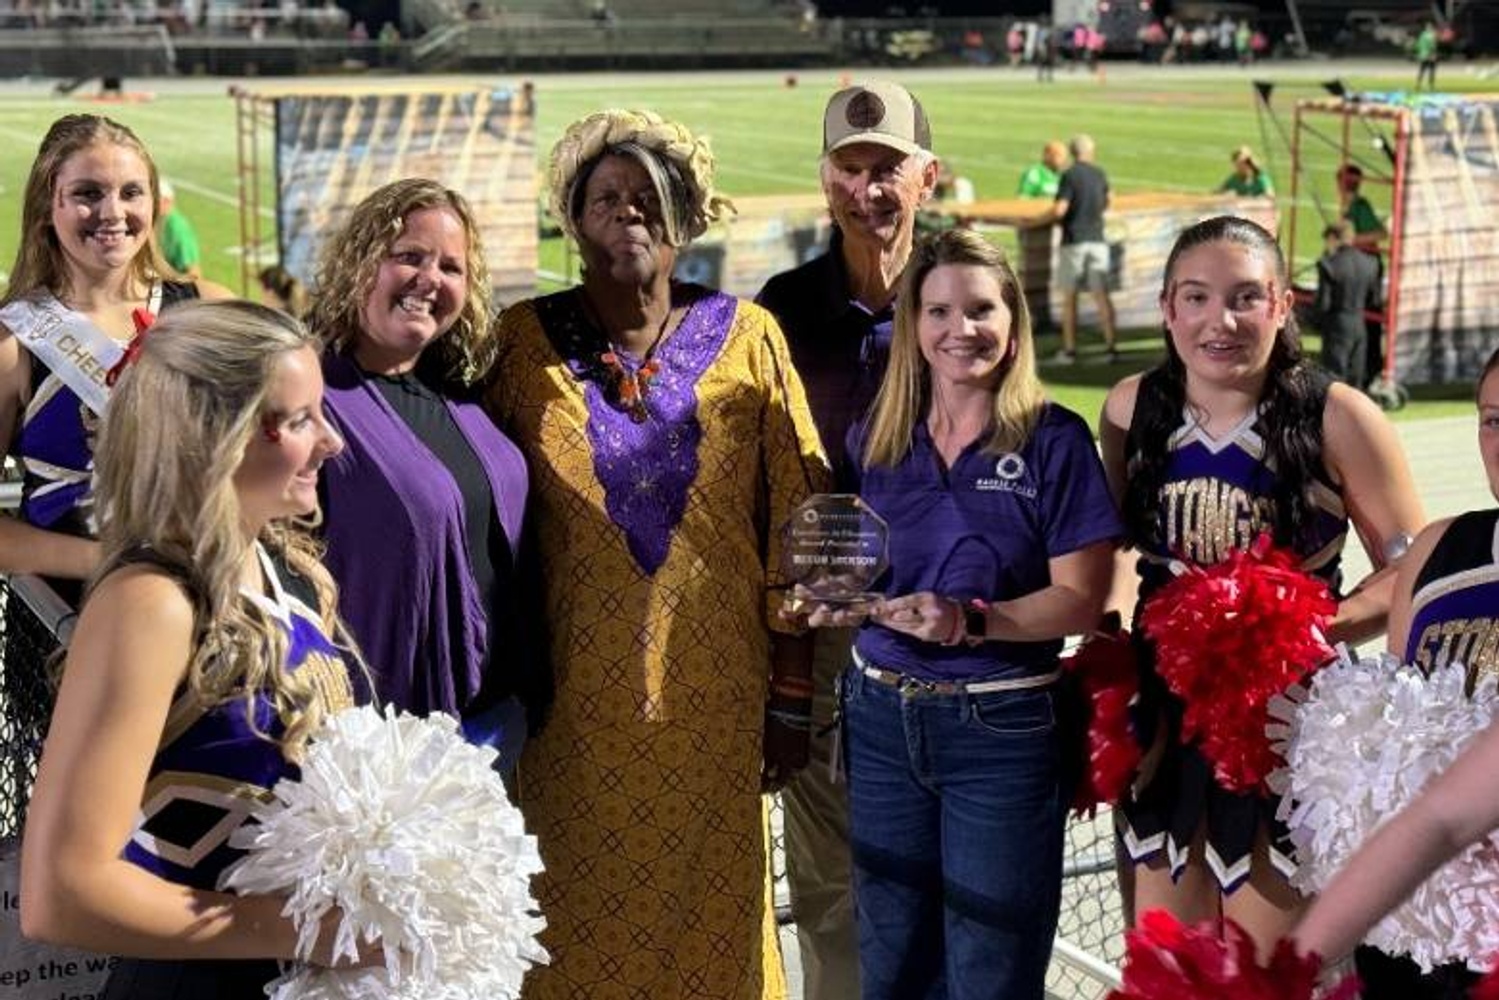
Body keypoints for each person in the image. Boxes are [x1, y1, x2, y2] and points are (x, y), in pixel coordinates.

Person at [488, 109, 828, 1000]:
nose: (628, 213)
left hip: (715, 706)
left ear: (684, 217)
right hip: (567, 712)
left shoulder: (750, 334)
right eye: (606, 197)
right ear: (573, 216)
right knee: (566, 930)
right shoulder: (519, 346)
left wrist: (791, 695)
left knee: (714, 933)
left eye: (649, 198)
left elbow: (799, 521)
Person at [19, 300, 372, 998]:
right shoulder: (152, 603)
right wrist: (308, 931)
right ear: (220, 437)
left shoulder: (289, 569)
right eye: (300, 420)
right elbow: (61, 893)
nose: (331, 441)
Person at [802, 228, 1118, 999]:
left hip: (1000, 732)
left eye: (980, 310)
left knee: (989, 967)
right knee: (892, 958)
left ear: (1012, 324)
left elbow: (1082, 597)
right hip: (878, 720)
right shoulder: (876, 436)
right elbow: (852, 561)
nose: (959, 331)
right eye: (938, 311)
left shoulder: (1054, 440)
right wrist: (826, 594)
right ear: (913, 325)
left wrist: (969, 622)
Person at [1102, 215, 1424, 961]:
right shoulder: (1131, 409)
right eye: (1196, 297)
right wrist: (1112, 639)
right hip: (1164, 718)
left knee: (1263, 973)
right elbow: (1118, 546)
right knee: (1168, 966)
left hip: (1286, 724)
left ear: (1282, 304)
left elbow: (1410, 569)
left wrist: (1304, 629)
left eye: (1246, 297)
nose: (1220, 320)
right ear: (1166, 307)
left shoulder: (1335, 414)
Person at [756, 79, 937, 1000]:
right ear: (824, 180)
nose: (869, 189)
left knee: (947, 873)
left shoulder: (963, 295)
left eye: (889, 168)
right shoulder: (781, 308)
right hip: (827, 633)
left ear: (929, 178)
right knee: (829, 879)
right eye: (850, 167)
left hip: (947, 631)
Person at [311, 178, 538, 772]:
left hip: (499, 718)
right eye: (408, 256)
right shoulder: (312, 394)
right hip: (389, 738)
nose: (429, 279)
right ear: (361, 263)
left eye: (450, 267)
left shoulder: (462, 390)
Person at [0, 114, 230, 589]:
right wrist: (115, 560)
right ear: (48, 205)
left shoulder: (210, 309)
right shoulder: (13, 341)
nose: (112, 212)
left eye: (131, 192)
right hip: (67, 623)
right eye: (88, 193)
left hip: (200, 611)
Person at [1045, 133, 1117, 364]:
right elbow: (1109, 200)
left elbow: (1060, 210)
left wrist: (1046, 219)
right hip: (1097, 240)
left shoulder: (1069, 175)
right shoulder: (1100, 173)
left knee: (1070, 298)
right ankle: (1111, 348)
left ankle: (1070, 350)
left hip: (1074, 240)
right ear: (1090, 151)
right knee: (1102, 296)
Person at [1315, 221, 1381, 389]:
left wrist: (1315, 321)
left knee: (1334, 378)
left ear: (1333, 238)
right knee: (1355, 377)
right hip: (1359, 324)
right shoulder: (1370, 263)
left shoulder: (1328, 264)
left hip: (1337, 324)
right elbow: (1374, 299)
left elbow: (1323, 304)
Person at [155, 178, 201, 278]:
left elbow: (193, 272)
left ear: (167, 201)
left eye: (156, 200)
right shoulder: (158, 221)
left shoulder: (177, 228)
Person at [1415, 22, 1439, 91]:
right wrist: (1433, 54)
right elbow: (1432, 46)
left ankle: (1418, 84)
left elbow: (1418, 45)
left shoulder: (1422, 35)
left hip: (1423, 56)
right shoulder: (1432, 35)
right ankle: (1430, 86)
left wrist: (1419, 54)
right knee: (1431, 71)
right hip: (1429, 56)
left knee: (1422, 70)